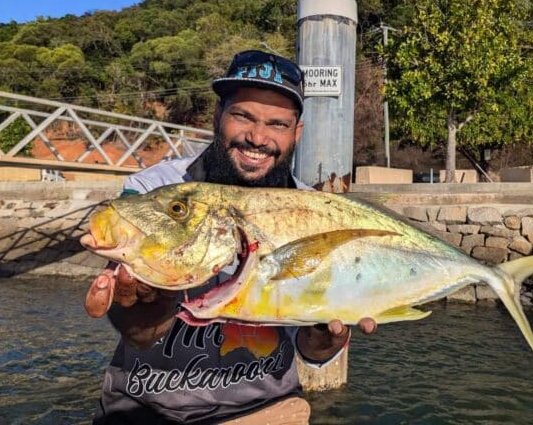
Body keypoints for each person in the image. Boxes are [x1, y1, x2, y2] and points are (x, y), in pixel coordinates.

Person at [84, 50, 376, 425]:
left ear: (296, 133)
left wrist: (322, 345)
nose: (258, 137)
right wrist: (144, 304)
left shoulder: (317, 212)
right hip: (146, 409)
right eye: (243, 116)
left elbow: (310, 349)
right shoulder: (155, 189)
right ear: (217, 116)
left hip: (268, 410)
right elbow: (136, 331)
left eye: (277, 124)